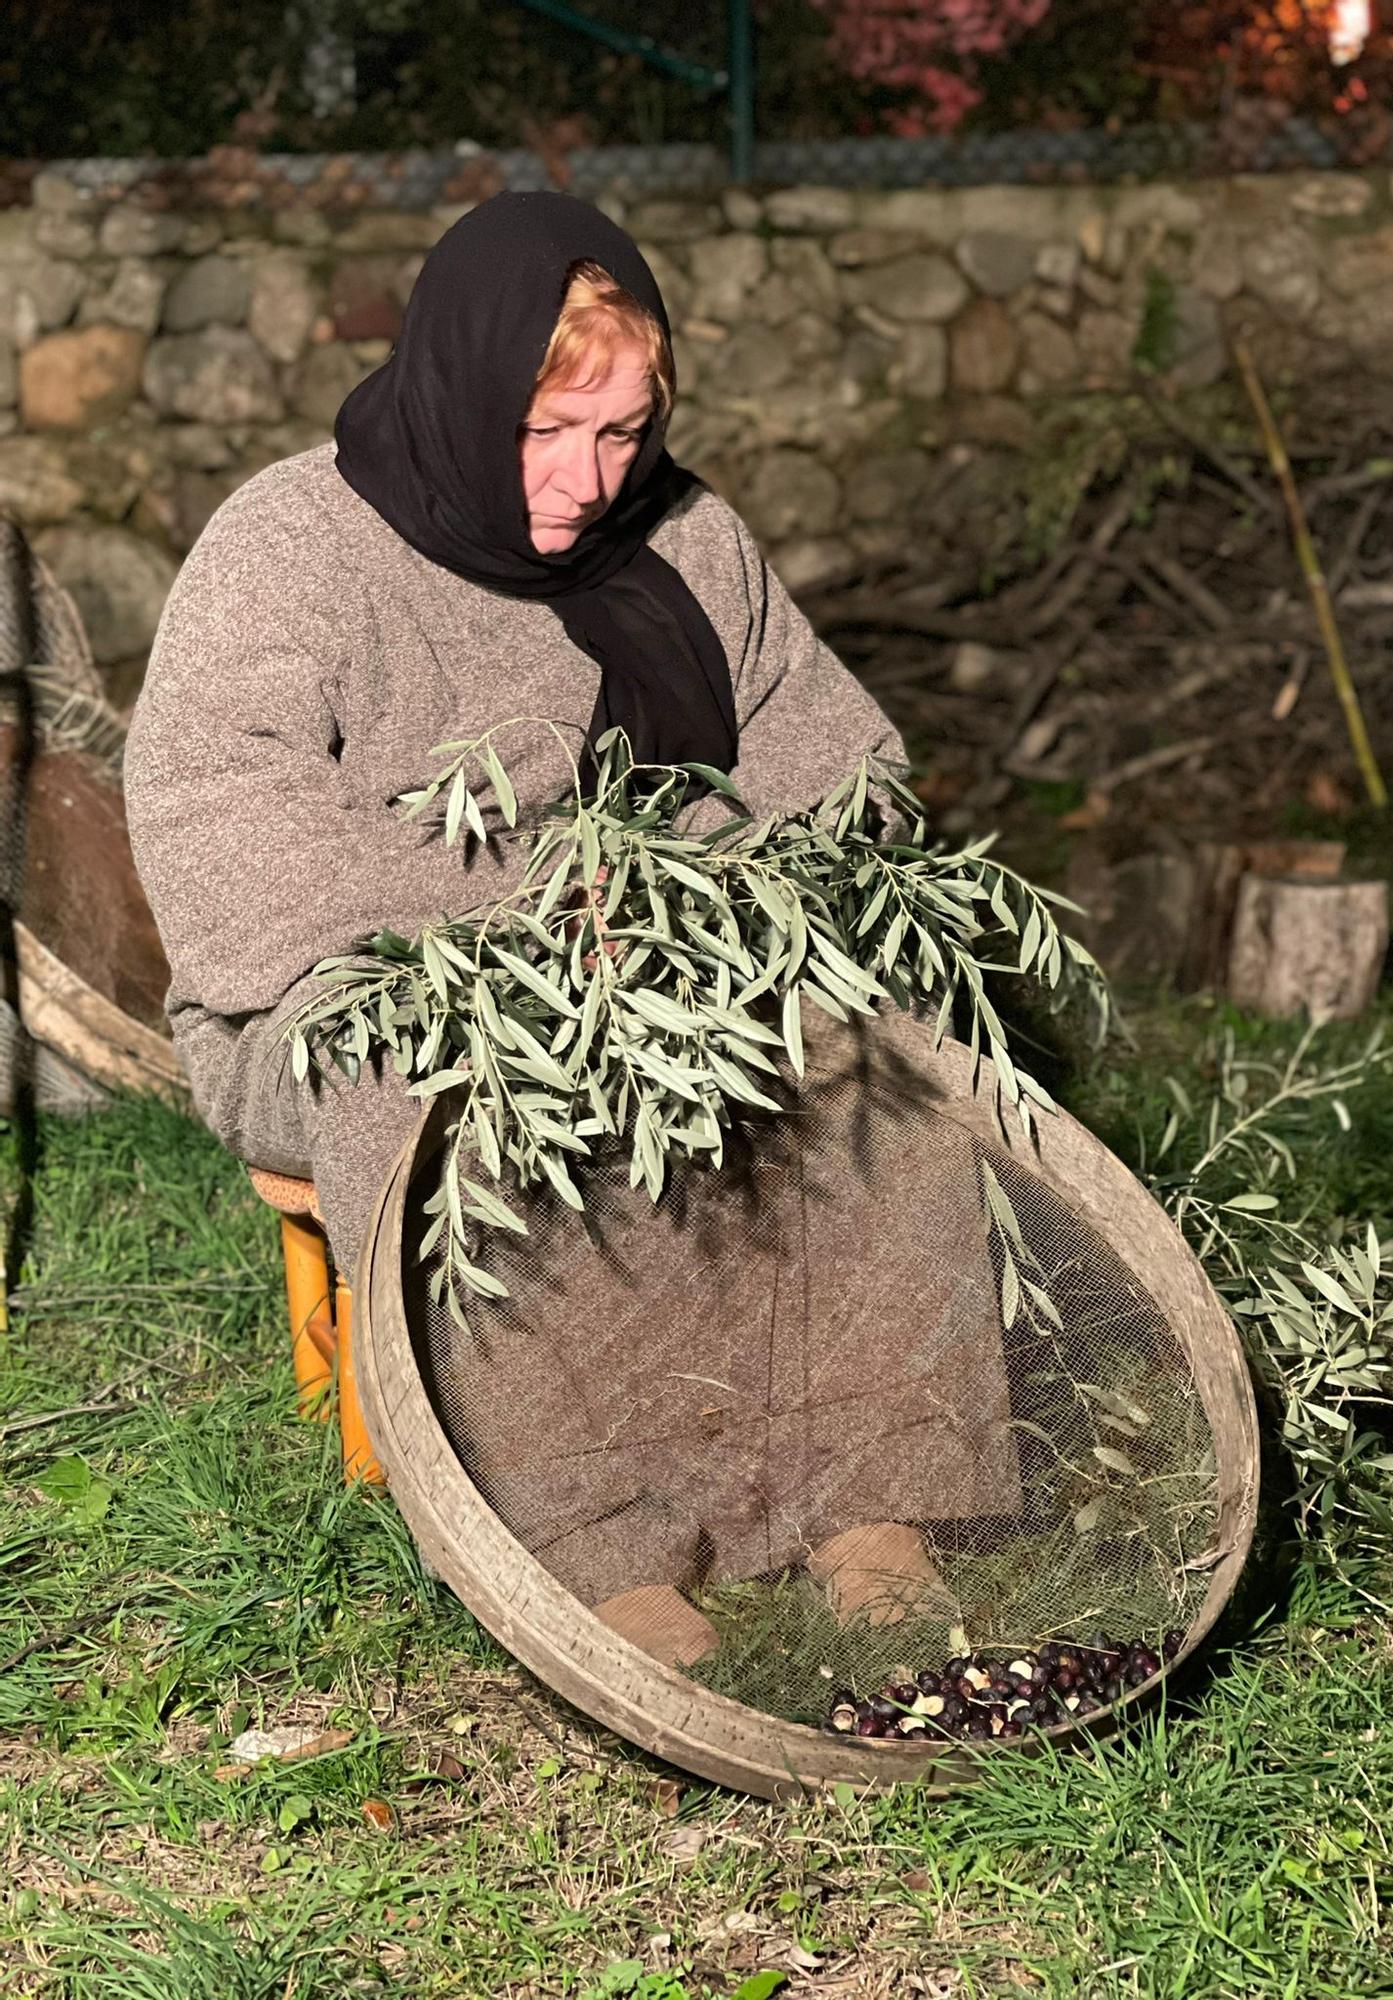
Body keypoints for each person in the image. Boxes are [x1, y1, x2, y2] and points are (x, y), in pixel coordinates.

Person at [124, 192, 904, 1281]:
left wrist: (698, 916)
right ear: (467, 392)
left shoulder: (688, 537)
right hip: (355, 998)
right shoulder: (288, 548)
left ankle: (879, 1398)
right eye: (543, 429)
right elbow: (233, 861)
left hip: (658, 959)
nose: (587, 483)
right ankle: (504, 1444)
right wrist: (541, 923)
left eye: (622, 432)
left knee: (886, 1027)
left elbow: (846, 773)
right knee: (413, 1079)